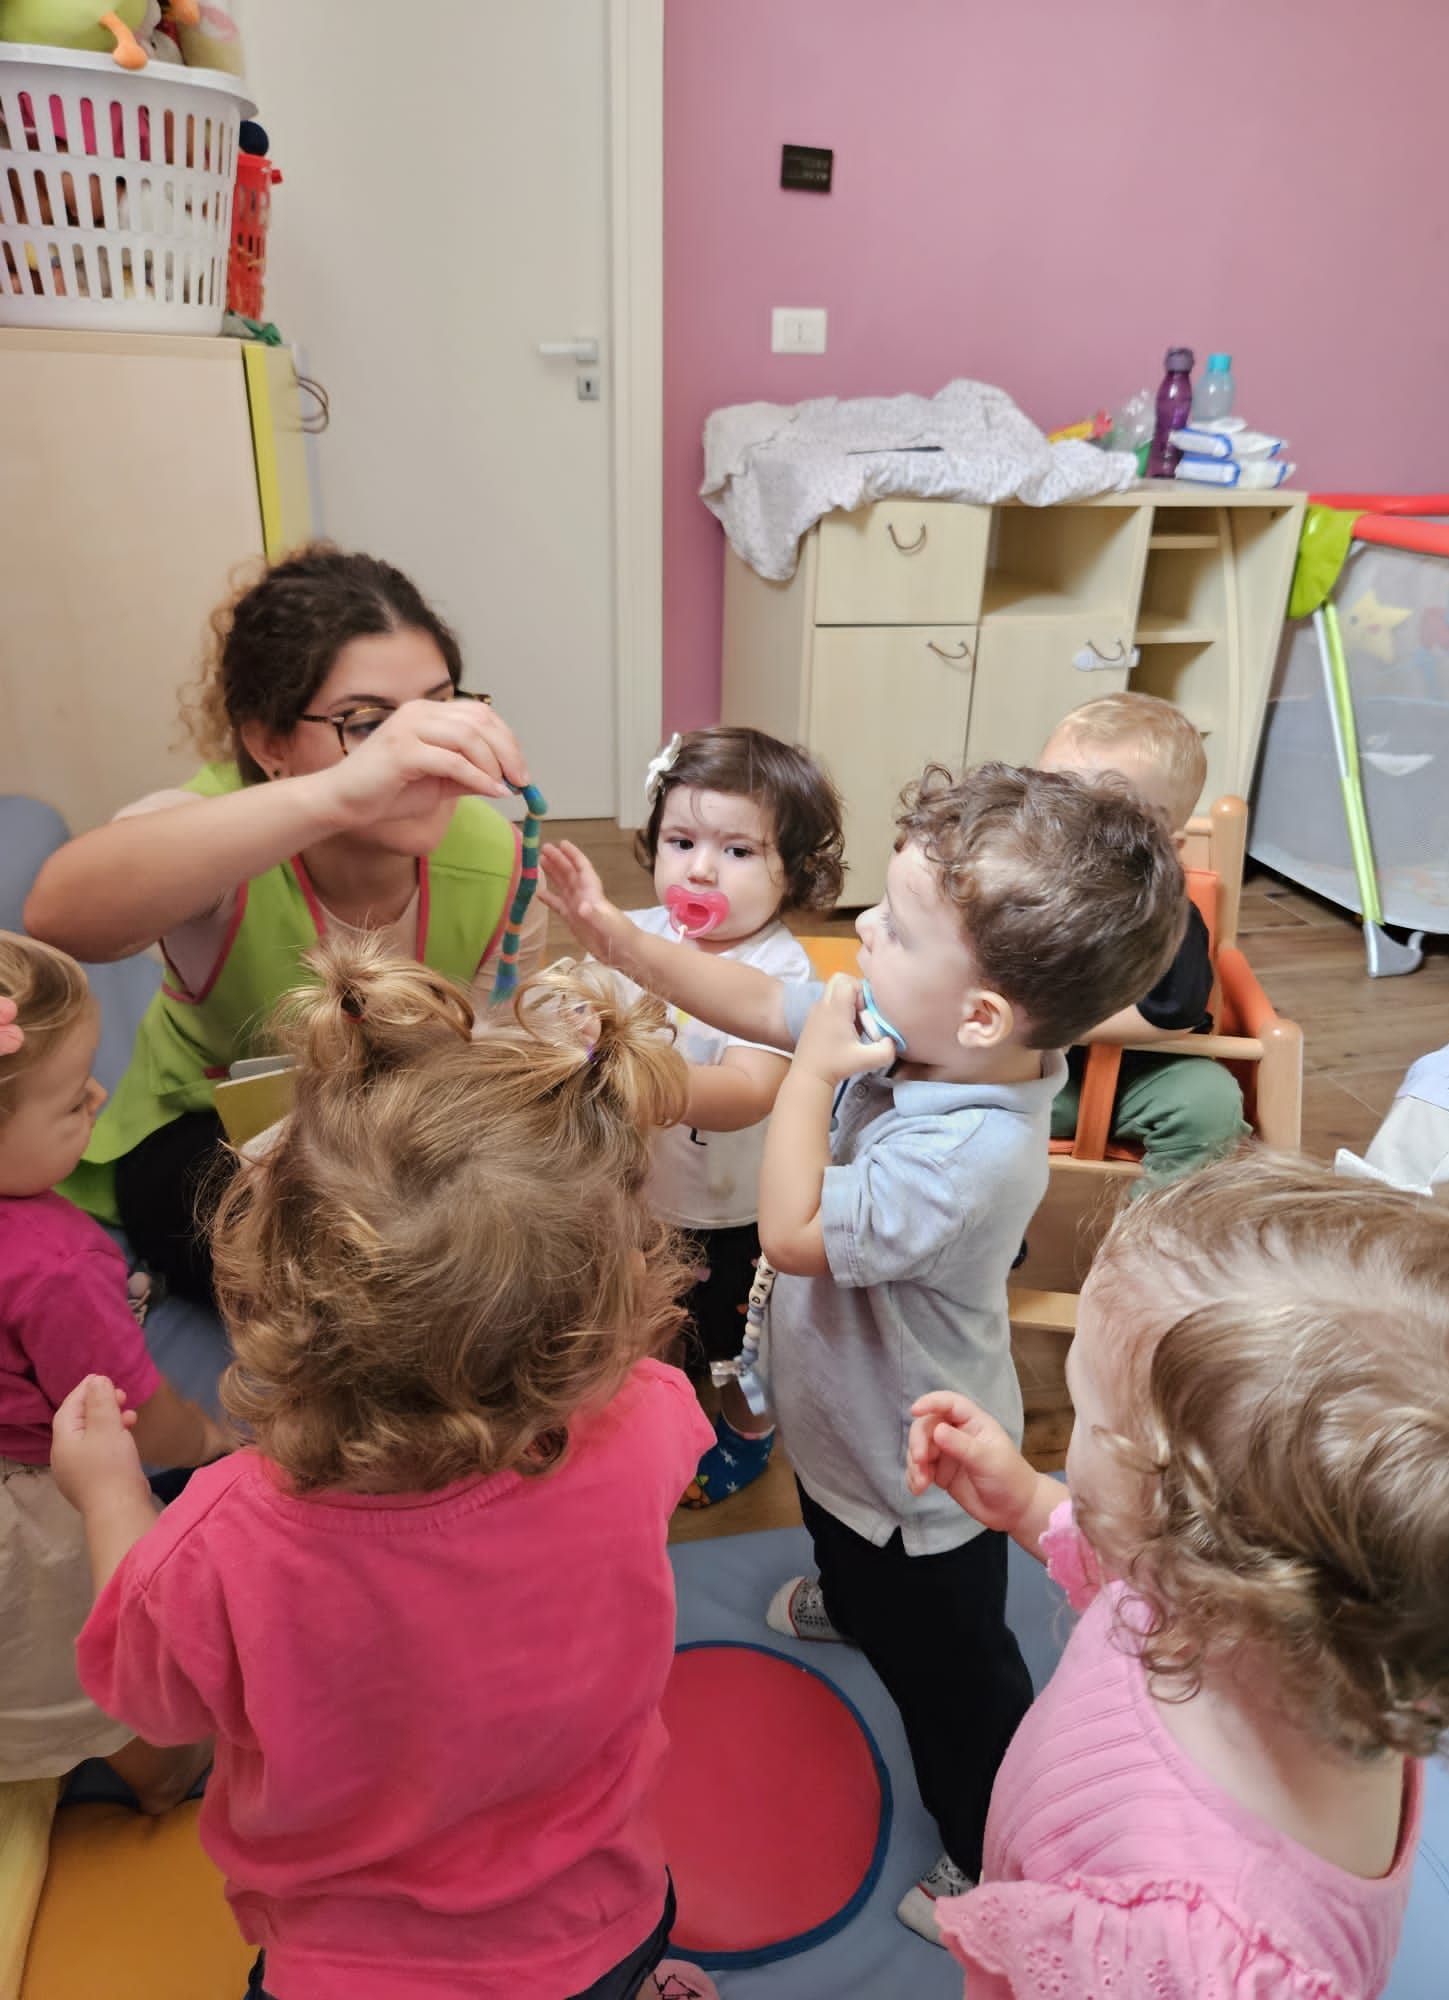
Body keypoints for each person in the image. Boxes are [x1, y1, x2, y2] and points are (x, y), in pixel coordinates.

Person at [541, 761, 1185, 1940]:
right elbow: (753, 996)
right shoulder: (919, 1027)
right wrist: (613, 938)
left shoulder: (968, 1154)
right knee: (835, 1526)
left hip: (919, 1480)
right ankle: (848, 1594)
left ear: (981, 1012)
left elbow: (790, 1229)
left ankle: (984, 1851)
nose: (862, 932)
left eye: (893, 925)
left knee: (954, 1677)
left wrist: (808, 1082)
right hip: (844, 1427)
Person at [52, 941, 720, 2000]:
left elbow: (155, 1695)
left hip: (356, 1964)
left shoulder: (225, 1536)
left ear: (269, 1282)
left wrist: (109, 1495)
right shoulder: (642, 1418)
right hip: (603, 1907)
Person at [907, 1153, 1449, 1998]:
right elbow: (1138, 1579)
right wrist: (1031, 1503)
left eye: (1085, 1412)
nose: (1069, 1438)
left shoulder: (1196, 1954)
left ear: (1198, 1533)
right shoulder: (1318, 1638)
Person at [25, 544, 540, 1306]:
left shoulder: (498, 859)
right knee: (327, 1261)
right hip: (207, 1139)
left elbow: (493, 1061)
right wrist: (339, 796)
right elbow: (59, 916)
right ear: (269, 744)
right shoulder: (222, 833)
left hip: (388, 1138)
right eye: (369, 724)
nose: (419, 753)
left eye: (439, 708)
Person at [0, 932, 225, 1806]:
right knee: (95, 1665)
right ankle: (163, 1774)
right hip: (36, 1504)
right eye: (71, 1103)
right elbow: (138, 1416)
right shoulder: (56, 1264)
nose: (99, 1097)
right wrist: (207, 1439)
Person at [627, 726, 844, 1506]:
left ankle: (748, 1435)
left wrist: (631, 1073)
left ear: (796, 873)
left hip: (738, 1213)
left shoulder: (778, 971)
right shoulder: (637, 936)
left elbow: (747, 1092)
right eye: (681, 841)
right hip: (641, 1196)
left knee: (737, 1347)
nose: (699, 869)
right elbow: (571, 1000)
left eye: (738, 851)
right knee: (643, 1322)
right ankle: (652, 1424)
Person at [1038, 691, 1247, 1181]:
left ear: (1166, 850)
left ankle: (1159, 1227)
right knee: (932, 1077)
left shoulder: (1166, 914)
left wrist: (1050, 1023)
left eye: (1107, 820)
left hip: (1140, 1078)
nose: (1070, 829)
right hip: (1028, 1076)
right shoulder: (1007, 888)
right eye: (1052, 800)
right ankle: (966, 1211)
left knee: (1209, 1101)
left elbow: (1173, 1012)